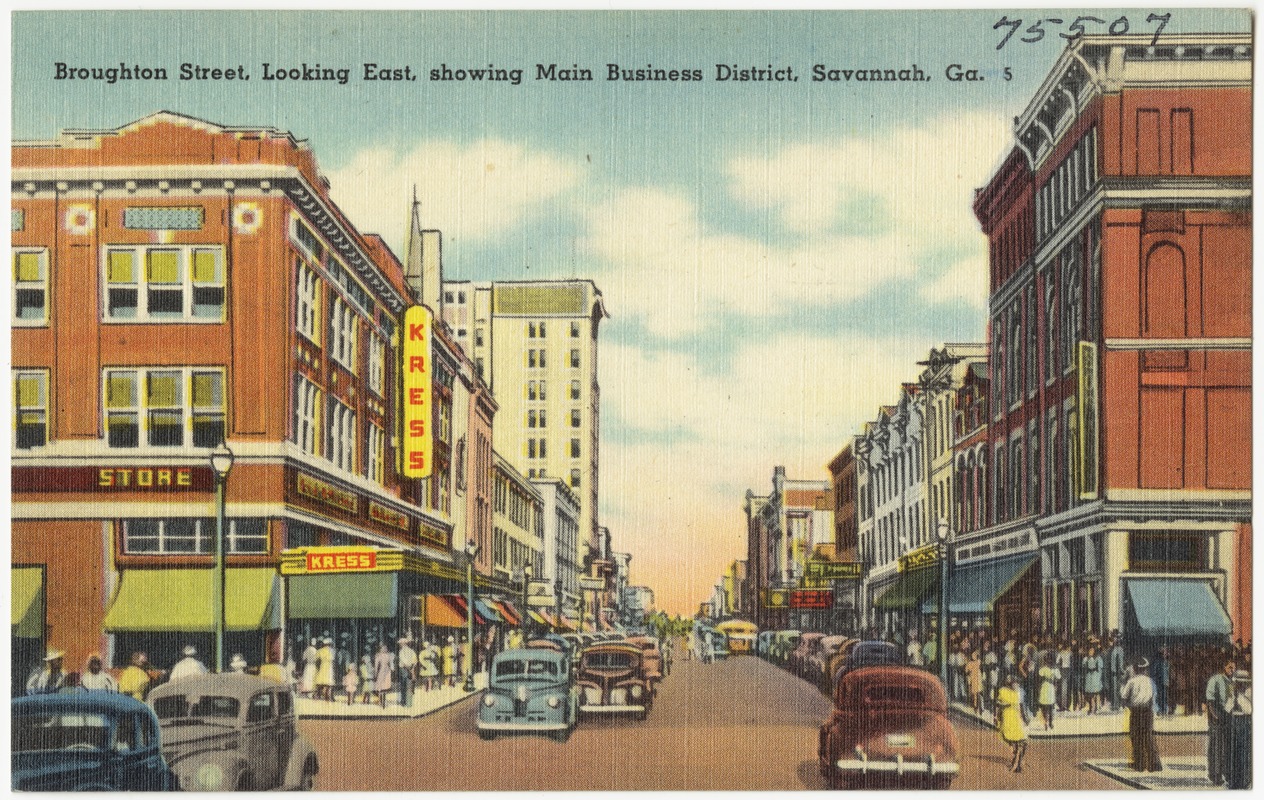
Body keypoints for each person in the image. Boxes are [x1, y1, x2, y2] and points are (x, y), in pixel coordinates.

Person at [1121, 659, 1162, 772]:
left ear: (1135, 669)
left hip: (1136, 711)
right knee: (1148, 737)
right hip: (1148, 711)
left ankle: (1140, 764)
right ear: (1145, 669)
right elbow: (1154, 698)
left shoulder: (1131, 682)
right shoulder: (1151, 681)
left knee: (1136, 737)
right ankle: (1155, 764)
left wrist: (1130, 706)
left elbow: (1124, 698)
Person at [1205, 658, 1236, 785]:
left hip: (1228, 716)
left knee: (1227, 747)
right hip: (1217, 716)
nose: (1232, 670)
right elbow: (1210, 701)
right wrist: (1215, 717)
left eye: (1234, 668)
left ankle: (1227, 774)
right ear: (1224, 667)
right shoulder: (1215, 679)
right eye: (1230, 667)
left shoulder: (1232, 681)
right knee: (1216, 747)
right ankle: (1215, 775)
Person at [996, 675, 1029, 773]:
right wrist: (998, 715)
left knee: (1023, 742)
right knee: (1014, 741)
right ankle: (1016, 761)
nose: (1016, 685)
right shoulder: (1003, 691)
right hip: (1007, 719)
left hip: (1016, 718)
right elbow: (998, 703)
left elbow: (1021, 705)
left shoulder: (1018, 693)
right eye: (1014, 683)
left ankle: (1017, 763)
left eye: (1017, 683)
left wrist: (1024, 717)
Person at [1037, 652, 1061, 730]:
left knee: (1047, 707)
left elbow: (1040, 678)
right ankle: (1049, 722)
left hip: (1048, 688)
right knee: (1049, 707)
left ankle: (1048, 722)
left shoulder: (1044, 669)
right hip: (1048, 688)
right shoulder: (1053, 669)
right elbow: (1058, 678)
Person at [1082, 646, 1104, 714]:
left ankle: (1096, 707)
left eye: (1092, 650)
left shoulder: (1098, 658)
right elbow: (1084, 667)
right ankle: (1092, 707)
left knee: (1096, 693)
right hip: (1089, 677)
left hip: (1096, 677)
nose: (1090, 652)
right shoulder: (1086, 659)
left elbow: (1100, 668)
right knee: (1090, 694)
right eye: (1089, 650)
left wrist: (1099, 678)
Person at [1107, 632, 1125, 711]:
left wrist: (1121, 670)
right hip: (1112, 671)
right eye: (1114, 638)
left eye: (1116, 638)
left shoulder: (1120, 649)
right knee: (1114, 688)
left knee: (1117, 688)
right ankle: (1114, 704)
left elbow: (1120, 661)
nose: (1115, 640)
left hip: (1117, 672)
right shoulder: (1112, 649)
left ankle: (1118, 704)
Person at [397, 637, 417, 707]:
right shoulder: (411, 651)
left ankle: (404, 702)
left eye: (400, 643)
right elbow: (415, 661)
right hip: (411, 669)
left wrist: (409, 670)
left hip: (404, 669)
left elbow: (404, 662)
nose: (399, 645)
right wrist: (412, 670)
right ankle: (409, 703)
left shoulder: (401, 651)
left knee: (403, 686)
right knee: (409, 686)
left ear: (403, 644)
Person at [373, 643, 395, 708]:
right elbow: (376, 665)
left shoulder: (388, 655)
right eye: (382, 648)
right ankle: (381, 701)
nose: (384, 649)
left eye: (385, 648)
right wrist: (375, 673)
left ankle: (383, 701)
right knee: (381, 686)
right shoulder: (378, 655)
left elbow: (391, 664)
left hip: (386, 671)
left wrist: (392, 670)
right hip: (382, 671)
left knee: (384, 687)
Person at [1151, 647, 1171, 716]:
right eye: (1164, 653)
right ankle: (1160, 710)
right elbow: (1154, 672)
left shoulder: (1167, 662)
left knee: (1165, 696)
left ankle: (1164, 710)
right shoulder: (1158, 662)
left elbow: (1169, 672)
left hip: (1166, 682)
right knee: (1159, 696)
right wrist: (1155, 680)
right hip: (1159, 681)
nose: (1166, 654)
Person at [965, 650, 984, 714]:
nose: (974, 656)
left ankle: (980, 707)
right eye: (973, 655)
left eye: (976, 655)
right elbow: (966, 671)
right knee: (975, 694)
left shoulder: (978, 662)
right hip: (973, 678)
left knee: (979, 693)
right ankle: (976, 707)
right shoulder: (970, 663)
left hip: (978, 678)